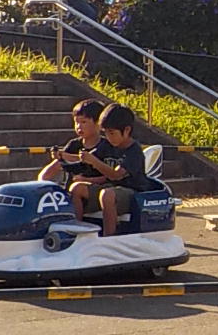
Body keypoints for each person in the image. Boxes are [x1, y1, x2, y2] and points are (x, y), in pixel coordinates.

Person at [68, 103, 154, 236]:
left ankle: (109, 236)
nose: (108, 137)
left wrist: (94, 161)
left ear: (126, 130)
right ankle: (76, 231)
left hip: (132, 194)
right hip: (108, 188)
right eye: (106, 133)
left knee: (107, 194)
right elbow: (86, 160)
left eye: (112, 133)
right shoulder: (107, 145)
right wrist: (64, 158)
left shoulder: (133, 151)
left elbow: (116, 175)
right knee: (77, 188)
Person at [37, 99, 106, 185]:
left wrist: (86, 180)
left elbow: (109, 177)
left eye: (83, 122)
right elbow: (54, 167)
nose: (79, 126)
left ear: (98, 124)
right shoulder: (74, 144)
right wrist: (42, 181)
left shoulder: (106, 146)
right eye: (76, 122)